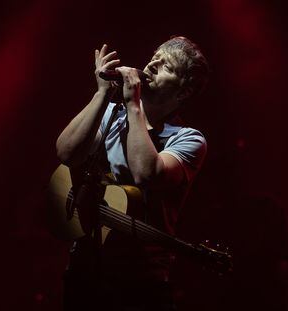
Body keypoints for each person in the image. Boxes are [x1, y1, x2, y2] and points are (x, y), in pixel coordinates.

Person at [56, 36, 209, 310]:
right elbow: (67, 153)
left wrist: (133, 105)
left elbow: (145, 174)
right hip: (85, 271)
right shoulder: (111, 113)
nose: (152, 64)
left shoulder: (188, 140)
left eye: (167, 66)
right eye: (155, 57)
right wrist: (102, 93)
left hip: (140, 284)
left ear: (184, 92)